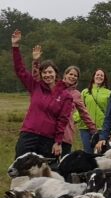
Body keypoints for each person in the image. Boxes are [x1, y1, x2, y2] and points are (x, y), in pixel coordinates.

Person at [11, 29, 73, 159]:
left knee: (43, 175)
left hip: (47, 140)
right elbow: (20, 70)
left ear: (56, 73)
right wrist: (15, 47)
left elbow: (62, 121)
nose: (47, 75)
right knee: (20, 172)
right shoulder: (35, 87)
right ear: (41, 74)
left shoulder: (66, 96)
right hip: (28, 135)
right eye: (44, 72)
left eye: (50, 72)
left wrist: (58, 142)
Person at [31, 46, 97, 157]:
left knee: (63, 165)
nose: (72, 77)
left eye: (75, 76)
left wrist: (94, 130)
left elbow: (84, 113)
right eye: (70, 74)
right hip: (48, 132)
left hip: (66, 135)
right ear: (65, 75)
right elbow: (36, 78)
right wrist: (36, 62)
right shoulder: (54, 87)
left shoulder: (76, 94)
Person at [73, 68, 111, 153]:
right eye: (97, 75)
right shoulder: (85, 92)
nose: (99, 77)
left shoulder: (109, 93)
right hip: (85, 127)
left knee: (102, 153)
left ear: (104, 78)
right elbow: (80, 109)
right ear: (93, 77)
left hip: (102, 128)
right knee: (87, 152)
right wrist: (73, 120)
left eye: (102, 75)